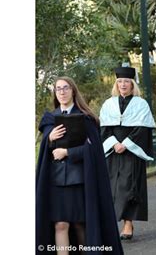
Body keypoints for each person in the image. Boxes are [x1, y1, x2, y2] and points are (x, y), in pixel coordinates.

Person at [36, 77, 123, 254]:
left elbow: (94, 151)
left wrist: (68, 152)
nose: (61, 92)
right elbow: (45, 147)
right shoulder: (49, 119)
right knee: (60, 225)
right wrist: (50, 138)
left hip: (80, 178)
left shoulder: (86, 119)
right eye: (58, 89)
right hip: (56, 180)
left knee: (79, 224)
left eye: (65, 88)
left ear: (73, 91)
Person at [100, 67, 156, 240]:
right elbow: (103, 129)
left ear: (132, 84)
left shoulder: (141, 104)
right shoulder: (108, 104)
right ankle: (111, 224)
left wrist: (126, 144)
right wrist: (114, 143)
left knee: (129, 188)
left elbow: (142, 130)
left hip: (132, 151)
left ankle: (128, 223)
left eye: (126, 82)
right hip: (113, 151)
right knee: (112, 188)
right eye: (120, 82)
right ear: (116, 84)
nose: (123, 84)